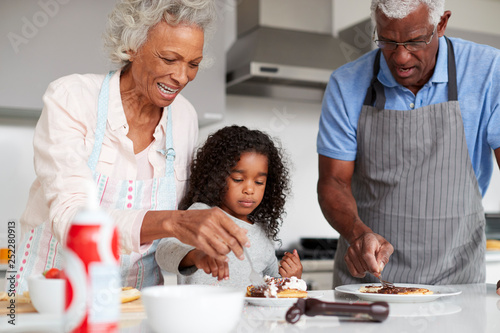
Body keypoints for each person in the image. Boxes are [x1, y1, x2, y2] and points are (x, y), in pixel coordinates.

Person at [14, 0, 249, 293]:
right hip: (53, 295)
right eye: (168, 58)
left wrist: (191, 253)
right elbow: (72, 221)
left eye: (193, 64)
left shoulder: (185, 117)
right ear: (131, 47)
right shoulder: (72, 98)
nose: (181, 77)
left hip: (136, 302)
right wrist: (174, 222)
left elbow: (167, 233)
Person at [317, 0, 500, 287]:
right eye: (387, 40)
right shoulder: (347, 83)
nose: (400, 58)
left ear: (441, 24)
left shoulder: (488, 71)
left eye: (415, 41)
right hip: (368, 282)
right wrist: (356, 233)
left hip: (457, 279)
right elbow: (333, 181)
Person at [156, 125, 303, 286]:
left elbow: (270, 285)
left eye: (259, 182)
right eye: (238, 179)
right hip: (199, 311)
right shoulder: (201, 216)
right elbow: (163, 254)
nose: (249, 189)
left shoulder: (262, 234)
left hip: (248, 312)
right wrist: (196, 256)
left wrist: (290, 279)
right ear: (216, 177)